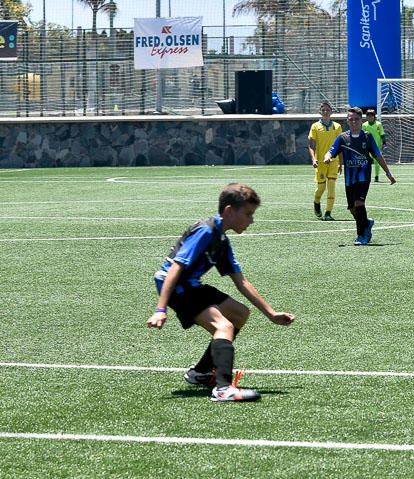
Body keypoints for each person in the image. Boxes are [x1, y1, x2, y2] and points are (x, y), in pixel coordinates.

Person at [147, 183, 295, 402]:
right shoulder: (206, 231)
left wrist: (271, 314)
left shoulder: (222, 240)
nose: (251, 220)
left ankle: (201, 372)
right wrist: (161, 308)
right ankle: (223, 388)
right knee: (223, 326)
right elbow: (175, 267)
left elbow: (241, 281)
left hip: (191, 284)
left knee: (239, 313)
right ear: (229, 211)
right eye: (248, 214)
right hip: (177, 286)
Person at [324, 106, 396, 245]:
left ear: (361, 120)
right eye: (351, 119)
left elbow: (378, 155)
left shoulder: (367, 137)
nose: (353, 122)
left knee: (359, 203)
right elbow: (331, 151)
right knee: (352, 208)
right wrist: (328, 157)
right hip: (349, 179)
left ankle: (361, 236)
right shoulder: (342, 138)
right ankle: (367, 223)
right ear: (347, 121)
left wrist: (388, 173)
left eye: (356, 119)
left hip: (363, 177)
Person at [308, 101, 343, 221]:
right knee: (321, 188)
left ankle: (328, 213)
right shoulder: (315, 126)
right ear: (320, 112)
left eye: (328, 110)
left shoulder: (337, 127)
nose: (326, 112)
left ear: (331, 112)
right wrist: (314, 159)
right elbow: (311, 145)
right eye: (323, 110)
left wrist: (340, 163)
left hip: (333, 162)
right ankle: (316, 202)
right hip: (321, 163)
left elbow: (340, 146)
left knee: (332, 187)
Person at [361, 108, 386, 183]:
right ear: (366, 117)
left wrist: (384, 143)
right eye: (368, 116)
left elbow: (382, 134)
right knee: (365, 162)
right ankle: (365, 176)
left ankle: (376, 176)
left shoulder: (379, 124)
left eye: (371, 115)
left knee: (377, 162)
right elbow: (362, 135)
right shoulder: (364, 125)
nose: (370, 117)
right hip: (367, 147)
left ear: (374, 116)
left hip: (376, 147)